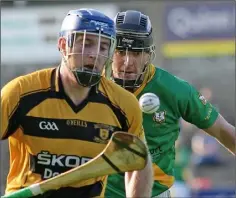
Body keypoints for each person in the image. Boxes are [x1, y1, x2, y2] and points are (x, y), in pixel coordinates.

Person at [0, 9, 153, 198]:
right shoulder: (20, 93)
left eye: (103, 47)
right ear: (63, 45)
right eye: (86, 44)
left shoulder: (124, 105)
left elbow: (138, 161)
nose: (94, 54)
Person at [105, 10, 235, 198]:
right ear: (109, 51)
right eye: (120, 52)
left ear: (148, 54)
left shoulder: (174, 90)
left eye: (136, 52)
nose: (127, 62)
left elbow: (223, 131)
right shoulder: (92, 86)